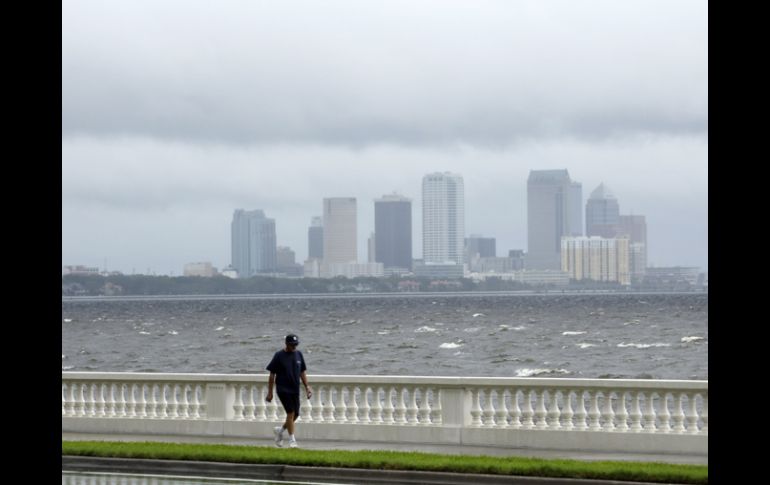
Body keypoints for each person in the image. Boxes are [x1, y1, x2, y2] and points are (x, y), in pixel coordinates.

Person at [266, 333, 312, 448]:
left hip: (295, 388)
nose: (294, 347)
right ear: (286, 344)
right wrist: (270, 392)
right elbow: (272, 375)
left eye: (296, 345)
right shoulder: (279, 356)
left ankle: (280, 431)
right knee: (290, 412)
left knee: (296, 414)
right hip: (283, 389)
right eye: (292, 345)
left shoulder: (299, 355)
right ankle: (292, 440)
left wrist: (307, 387)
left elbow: (302, 372)